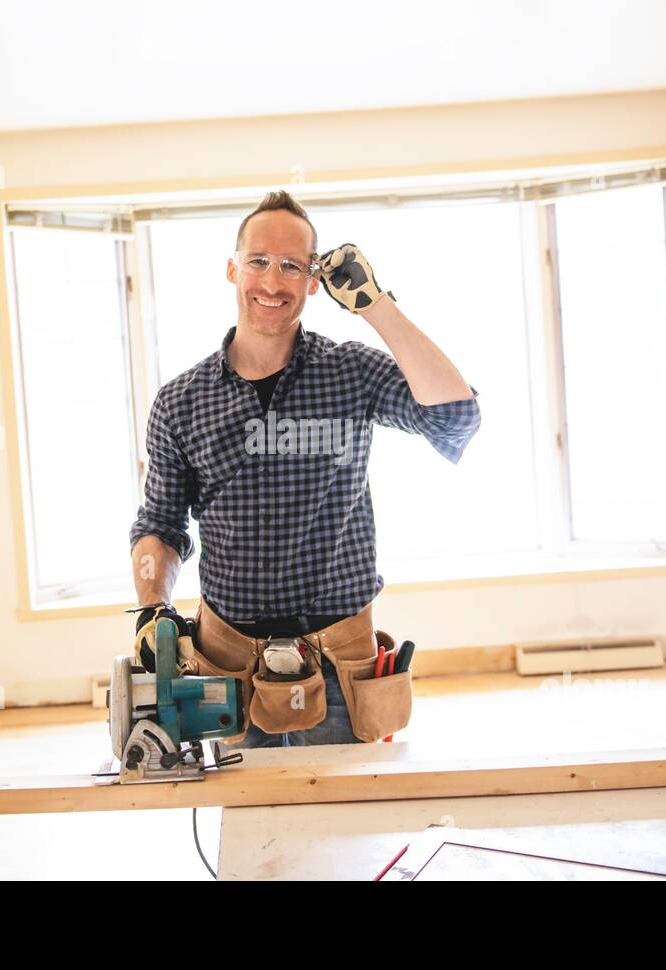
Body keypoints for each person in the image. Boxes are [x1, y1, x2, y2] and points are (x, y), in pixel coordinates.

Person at [128, 190, 479, 747]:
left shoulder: (351, 373)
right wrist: (151, 610)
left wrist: (374, 304)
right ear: (231, 269)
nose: (272, 282)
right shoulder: (180, 402)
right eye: (258, 261)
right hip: (228, 669)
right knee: (247, 828)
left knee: (345, 825)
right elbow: (160, 525)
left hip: (342, 670)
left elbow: (456, 418)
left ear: (314, 282)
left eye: (292, 266)